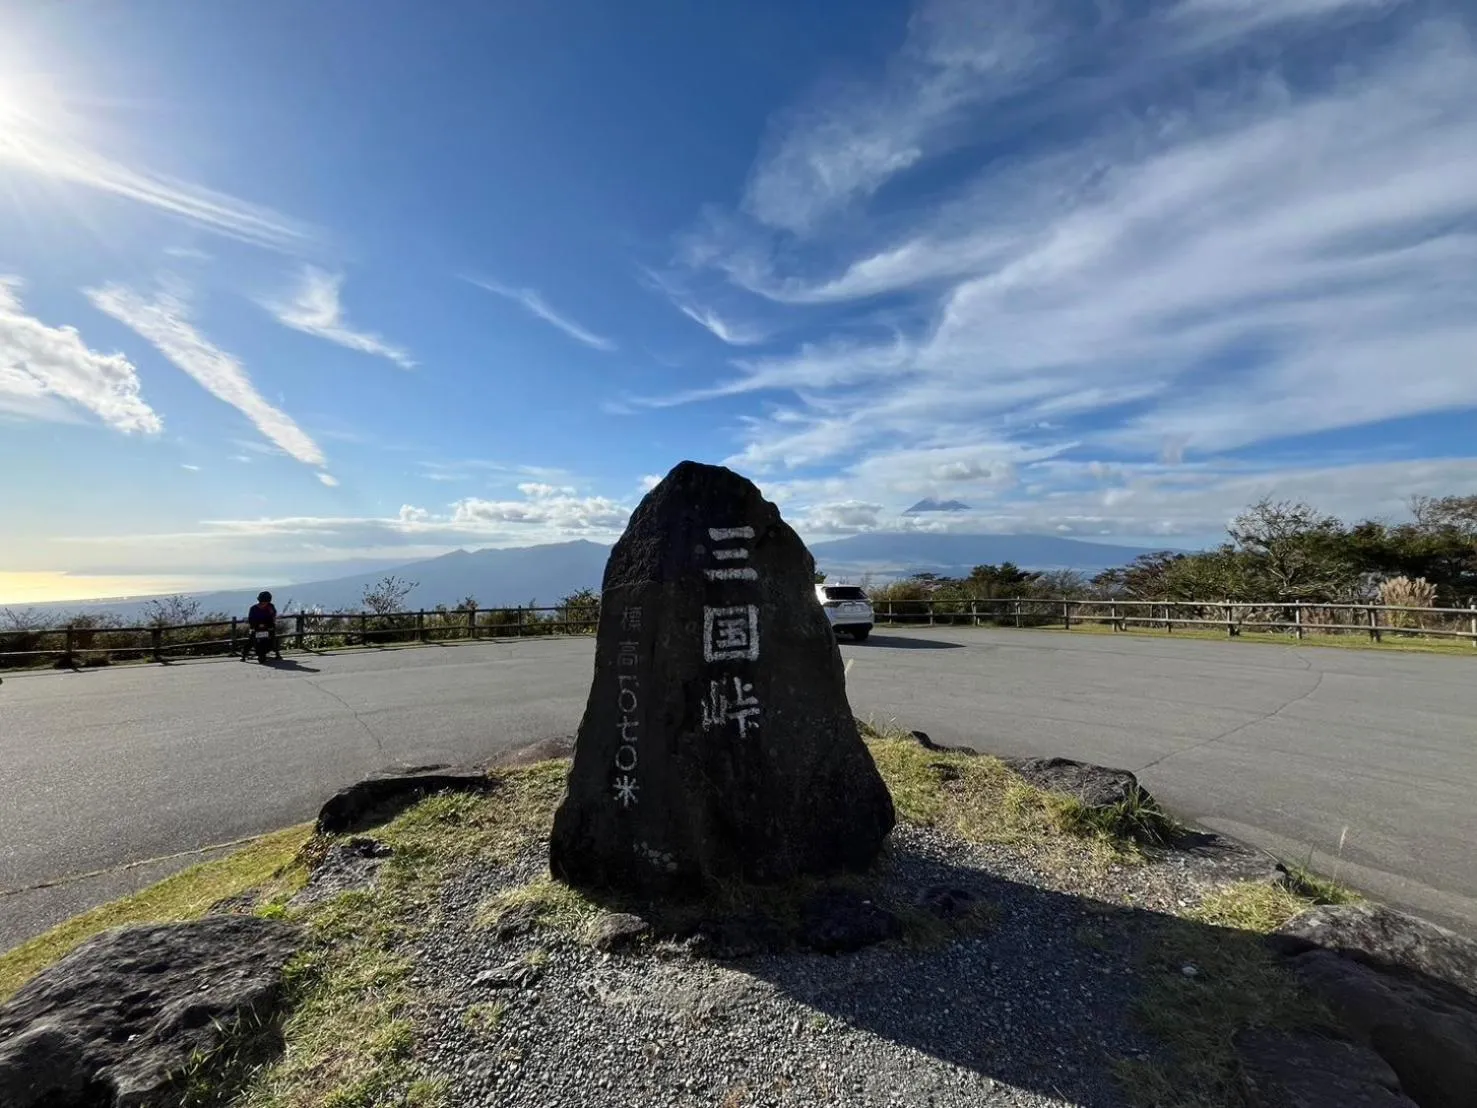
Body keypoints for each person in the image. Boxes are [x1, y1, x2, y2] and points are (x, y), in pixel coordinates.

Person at [243, 590, 282, 661]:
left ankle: (277, 653)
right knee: (251, 640)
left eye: (265, 601)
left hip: (268, 626)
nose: (264, 603)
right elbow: (251, 619)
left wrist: (271, 621)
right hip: (256, 626)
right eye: (263, 601)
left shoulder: (270, 606)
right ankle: (244, 655)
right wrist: (256, 625)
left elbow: (273, 616)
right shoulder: (254, 608)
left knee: (273, 638)